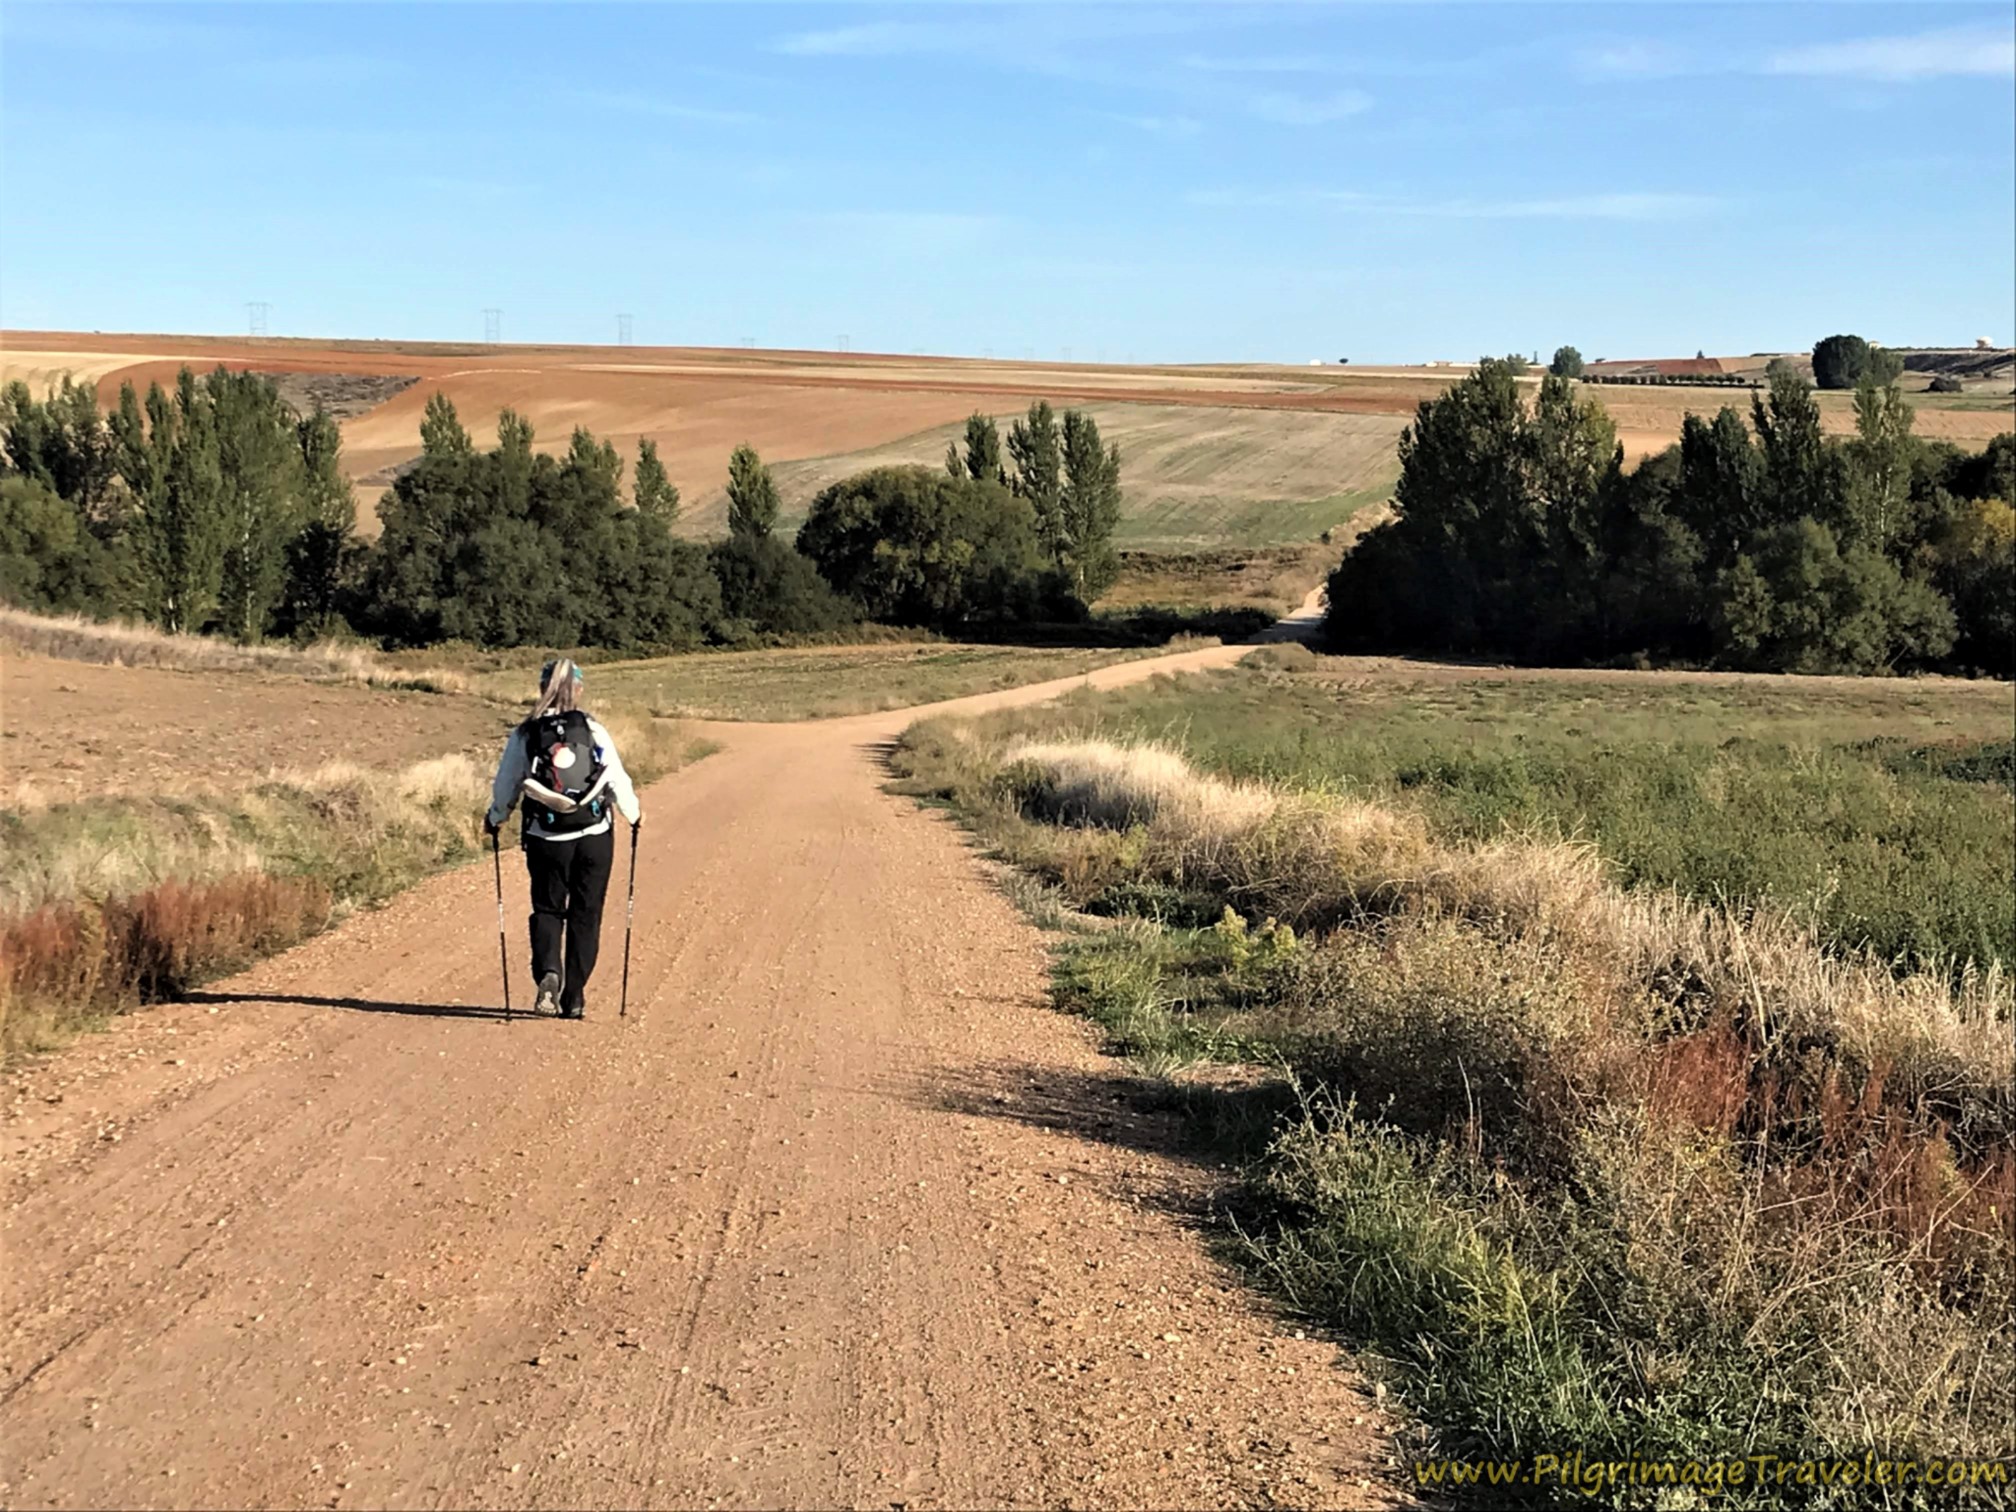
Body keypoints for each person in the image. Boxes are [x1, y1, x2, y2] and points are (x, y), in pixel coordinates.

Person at [484, 658, 641, 1018]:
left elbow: (506, 785)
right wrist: (634, 815)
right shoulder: (591, 728)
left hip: (546, 836)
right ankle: (575, 997)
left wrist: (495, 819)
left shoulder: (526, 733)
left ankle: (549, 973)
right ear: (579, 689)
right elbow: (616, 777)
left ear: (542, 689)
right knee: (587, 914)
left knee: (548, 908)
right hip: (594, 834)